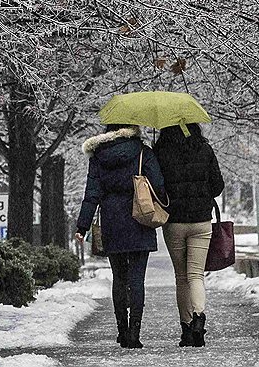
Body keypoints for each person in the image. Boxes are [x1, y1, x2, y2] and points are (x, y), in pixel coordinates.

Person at [75, 124, 166, 349]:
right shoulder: (143, 152)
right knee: (137, 279)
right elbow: (159, 185)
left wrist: (82, 225)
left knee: (119, 277)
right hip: (140, 218)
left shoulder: (98, 157)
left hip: (112, 221)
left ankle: (122, 331)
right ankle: (135, 332)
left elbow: (92, 193)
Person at [154, 123, 225, 347]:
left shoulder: (161, 151)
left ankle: (186, 330)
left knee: (181, 277)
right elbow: (218, 185)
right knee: (196, 275)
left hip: (174, 222)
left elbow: (156, 186)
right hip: (202, 221)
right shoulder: (204, 148)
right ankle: (199, 318)